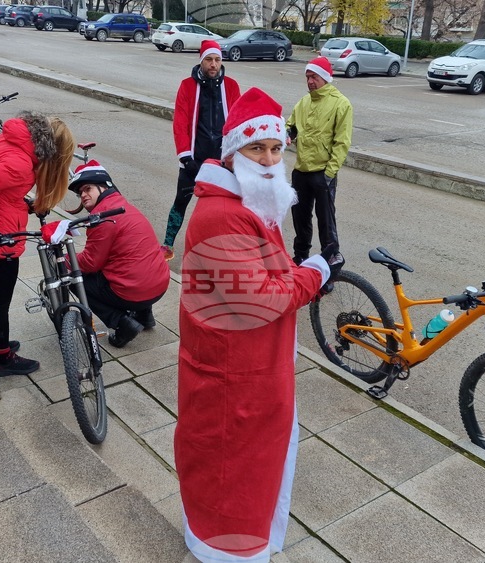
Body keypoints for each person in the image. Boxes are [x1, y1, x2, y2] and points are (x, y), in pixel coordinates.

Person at [174, 87, 344, 562]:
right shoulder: (223, 215)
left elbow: (264, 275)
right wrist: (314, 272)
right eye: (256, 148)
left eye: (276, 148)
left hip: (249, 369)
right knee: (234, 474)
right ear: (232, 154)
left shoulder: (249, 202)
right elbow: (262, 298)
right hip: (235, 378)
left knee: (251, 471)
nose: (270, 159)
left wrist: (300, 271)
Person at [0, 111, 75, 376]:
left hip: (0, 224)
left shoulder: (10, 141)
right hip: (1, 241)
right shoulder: (21, 164)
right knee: (1, 301)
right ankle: (3, 357)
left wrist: (22, 203)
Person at [56, 161, 171, 348]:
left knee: (76, 280)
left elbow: (90, 263)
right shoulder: (124, 206)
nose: (83, 195)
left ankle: (122, 323)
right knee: (138, 266)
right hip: (160, 285)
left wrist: (66, 260)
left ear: (104, 186)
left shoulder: (102, 216)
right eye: (80, 193)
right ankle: (145, 316)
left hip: (134, 292)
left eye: (87, 189)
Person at [160, 39, 241, 261]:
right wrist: (185, 155)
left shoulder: (231, 86)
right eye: (209, 60)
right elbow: (181, 122)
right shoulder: (187, 85)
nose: (213, 64)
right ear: (201, 61)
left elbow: (237, 121)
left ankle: (218, 250)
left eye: (217, 59)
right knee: (181, 200)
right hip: (193, 159)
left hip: (221, 160)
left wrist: (235, 154)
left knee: (220, 208)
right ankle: (167, 244)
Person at [285, 56, 353, 290]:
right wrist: (287, 134)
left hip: (323, 173)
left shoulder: (341, 104)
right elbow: (291, 125)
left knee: (326, 223)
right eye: (307, 77)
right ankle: (301, 259)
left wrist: (329, 173)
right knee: (300, 218)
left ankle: (330, 269)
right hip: (301, 170)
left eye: (313, 77)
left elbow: (341, 142)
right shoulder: (303, 102)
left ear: (325, 77)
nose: (310, 81)